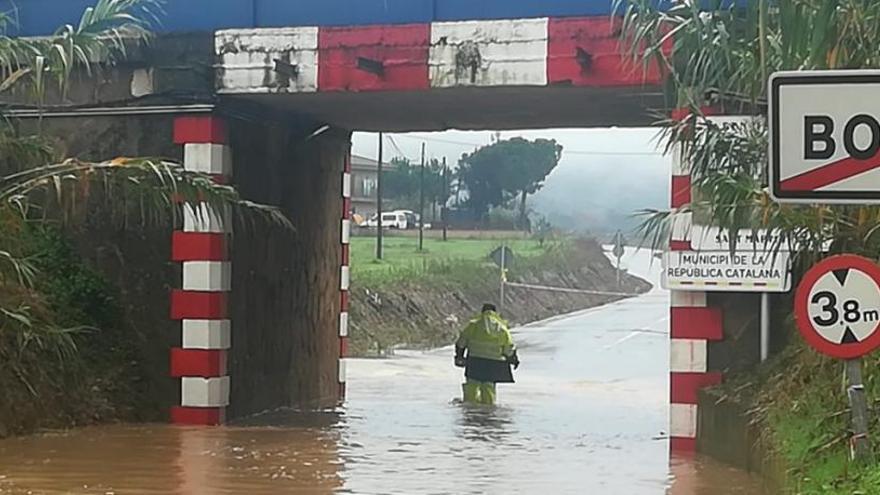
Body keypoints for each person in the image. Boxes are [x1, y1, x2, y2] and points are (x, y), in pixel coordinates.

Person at [454, 303, 519, 405]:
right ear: (495, 313)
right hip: (493, 364)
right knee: (488, 388)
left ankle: (469, 408)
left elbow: (461, 343)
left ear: (482, 312)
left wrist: (459, 357)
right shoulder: (501, 328)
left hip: (474, 361)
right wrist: (514, 360)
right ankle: (488, 411)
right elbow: (508, 349)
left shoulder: (473, 325)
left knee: (471, 385)